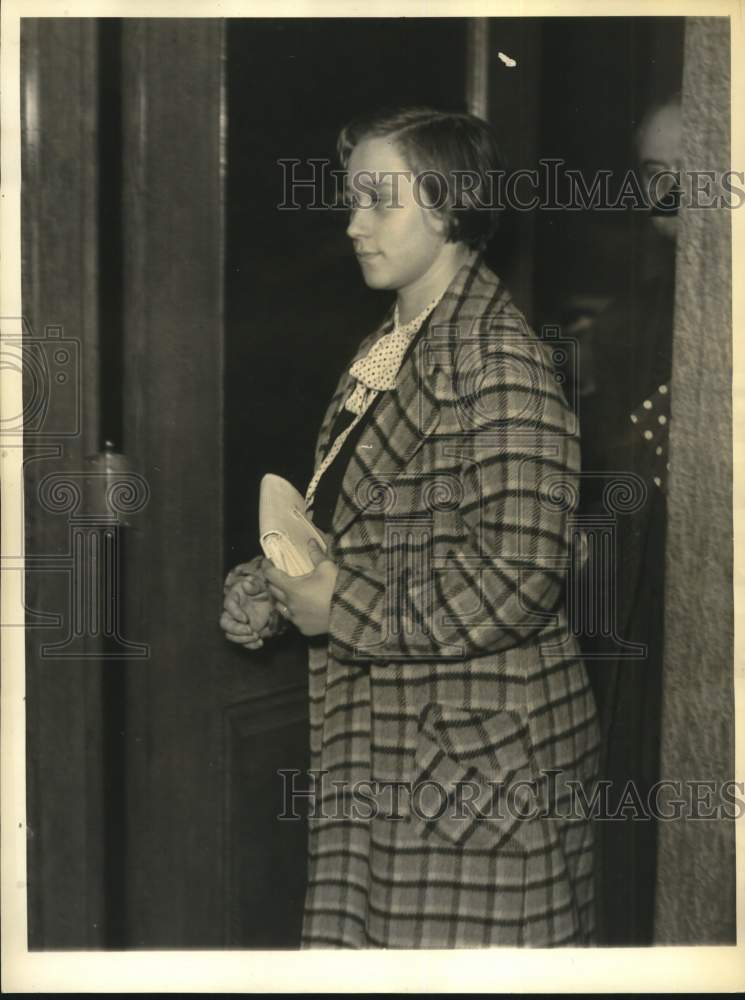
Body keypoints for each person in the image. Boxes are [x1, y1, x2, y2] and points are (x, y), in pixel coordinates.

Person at [221, 106, 600, 948]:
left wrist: (341, 608)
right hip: (401, 740)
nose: (353, 225)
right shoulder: (389, 345)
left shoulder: (500, 361)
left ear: (448, 206)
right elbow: (359, 521)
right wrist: (275, 586)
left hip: (478, 765)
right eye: (351, 199)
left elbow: (520, 577)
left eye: (378, 201)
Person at [578, 95, 680, 944]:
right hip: (645, 626)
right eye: (654, 174)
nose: (670, 191)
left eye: (690, 170)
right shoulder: (626, 326)